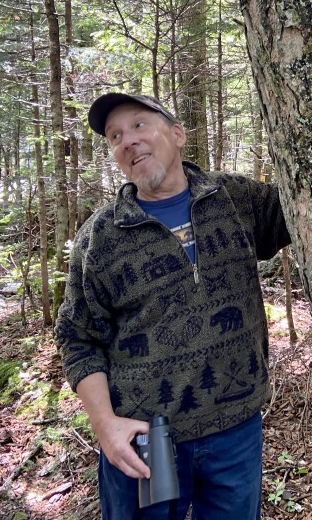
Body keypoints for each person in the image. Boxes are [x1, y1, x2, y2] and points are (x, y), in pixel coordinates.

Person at [54, 92, 291, 519]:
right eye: (115, 136)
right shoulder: (100, 238)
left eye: (140, 125)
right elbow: (77, 337)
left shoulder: (235, 198)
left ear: (177, 134)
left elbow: (310, 205)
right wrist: (105, 425)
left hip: (236, 428)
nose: (128, 140)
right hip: (145, 440)